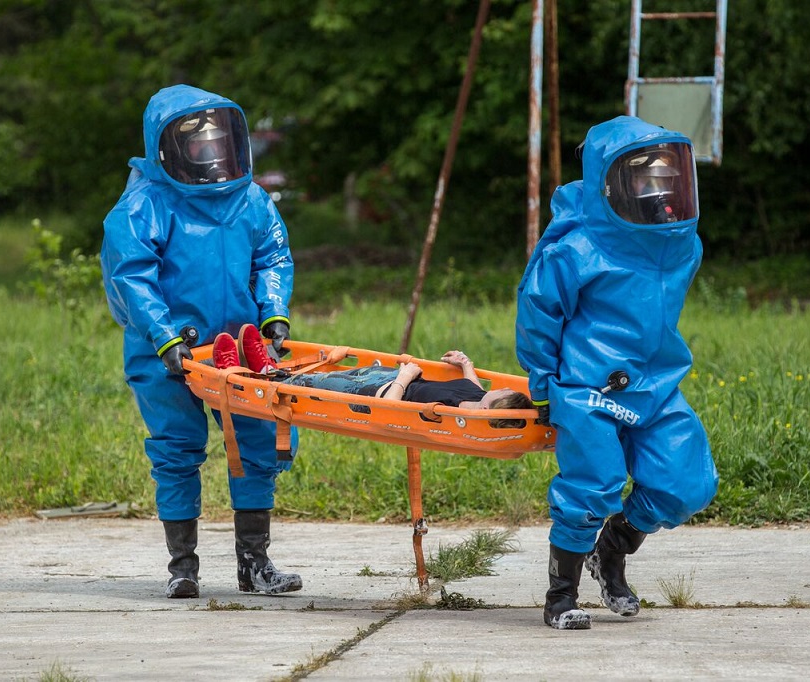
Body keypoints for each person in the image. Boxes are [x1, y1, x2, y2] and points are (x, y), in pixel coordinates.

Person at [515, 115, 719, 630]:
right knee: (594, 485)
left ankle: (612, 548)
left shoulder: (681, 245)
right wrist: (543, 386)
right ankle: (560, 597)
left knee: (687, 482)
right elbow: (538, 314)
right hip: (588, 386)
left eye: (664, 178)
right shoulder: (575, 247)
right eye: (643, 180)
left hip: (657, 385)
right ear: (609, 183)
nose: (658, 192)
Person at [101, 84, 300, 600]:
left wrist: (274, 313)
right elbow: (132, 278)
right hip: (166, 354)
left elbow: (273, 257)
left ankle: (254, 566)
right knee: (176, 449)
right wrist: (165, 338)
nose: (211, 153)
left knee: (257, 445)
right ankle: (182, 569)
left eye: (217, 142)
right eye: (197, 144)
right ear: (168, 147)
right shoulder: (143, 206)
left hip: (239, 350)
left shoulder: (250, 199)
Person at [212, 325, 533, 425]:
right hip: (384, 377)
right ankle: (268, 371)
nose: (501, 386)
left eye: (502, 391)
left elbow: (389, 410)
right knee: (318, 375)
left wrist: (405, 377)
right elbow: (471, 387)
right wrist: (465, 363)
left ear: (490, 408)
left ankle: (254, 376)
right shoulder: (477, 398)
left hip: (372, 394)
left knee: (311, 384)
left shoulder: (453, 413)